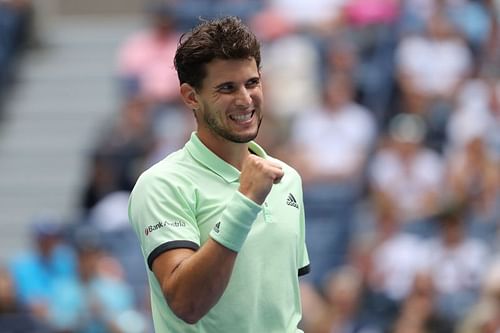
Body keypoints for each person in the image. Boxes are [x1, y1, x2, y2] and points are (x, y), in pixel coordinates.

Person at [128, 16, 310, 332]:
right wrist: (246, 201)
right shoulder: (161, 185)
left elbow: (277, 305)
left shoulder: (288, 179)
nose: (245, 99)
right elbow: (187, 303)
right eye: (227, 88)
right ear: (190, 97)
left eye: (252, 83)